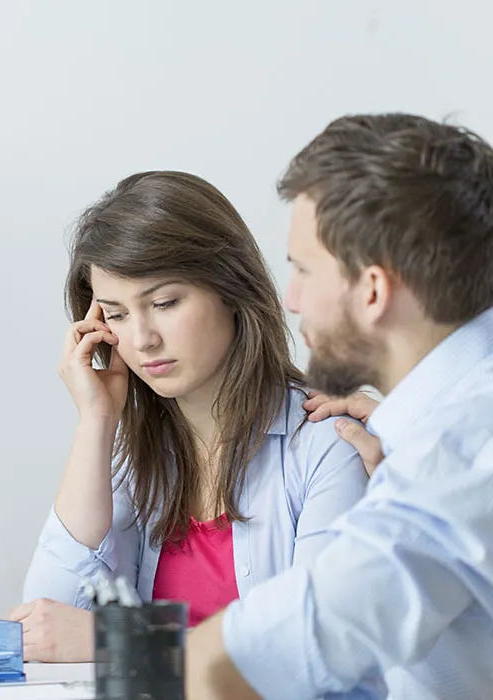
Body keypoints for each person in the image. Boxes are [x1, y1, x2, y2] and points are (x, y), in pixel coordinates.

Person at [186, 113, 493, 700]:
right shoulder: (443, 427)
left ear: (373, 290)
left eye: (303, 269)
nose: (289, 297)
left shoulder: (457, 450)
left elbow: (249, 656)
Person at [10, 170, 369, 664]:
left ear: (230, 289)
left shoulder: (327, 441)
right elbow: (47, 623)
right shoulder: (129, 454)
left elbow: (316, 650)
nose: (142, 339)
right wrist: (96, 421)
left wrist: (115, 642)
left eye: (164, 303)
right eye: (116, 315)